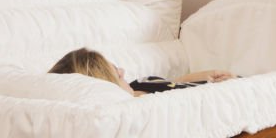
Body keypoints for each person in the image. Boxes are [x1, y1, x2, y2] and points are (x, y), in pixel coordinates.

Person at [49, 48, 232, 96]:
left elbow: (174, 82)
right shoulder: (137, 107)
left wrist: (207, 75)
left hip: (222, 85)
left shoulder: (140, 83)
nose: (122, 70)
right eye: (117, 73)